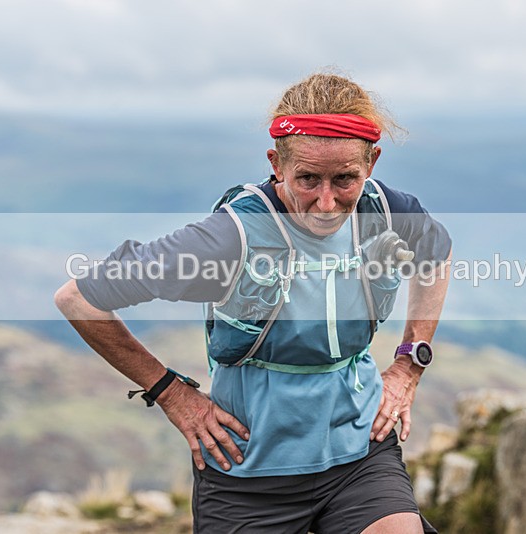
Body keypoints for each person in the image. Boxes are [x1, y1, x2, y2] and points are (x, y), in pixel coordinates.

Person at [55, 72, 451, 534]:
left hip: (360, 457)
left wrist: (409, 363)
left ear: (372, 162)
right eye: (307, 179)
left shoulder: (384, 210)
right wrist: (170, 393)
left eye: (345, 179)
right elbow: (78, 298)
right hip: (248, 475)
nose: (326, 203)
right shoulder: (229, 238)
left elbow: (436, 255)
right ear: (276, 164)